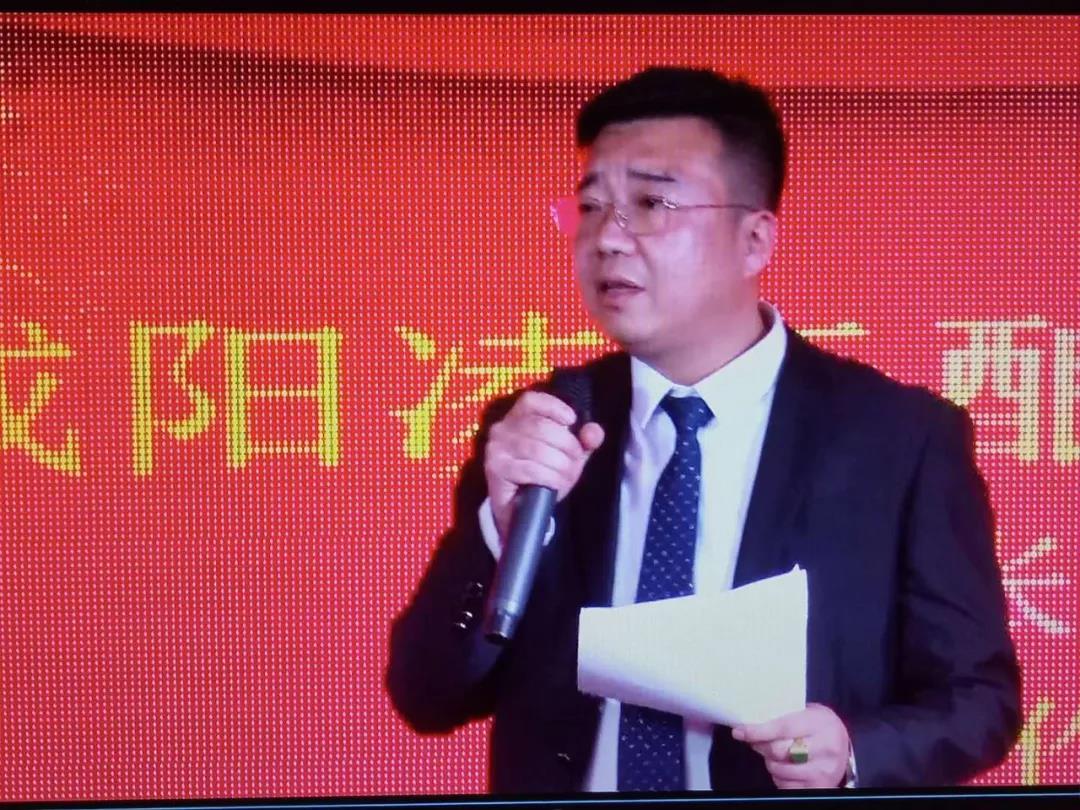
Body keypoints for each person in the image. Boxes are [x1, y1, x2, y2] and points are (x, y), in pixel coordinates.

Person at [386, 66, 1021, 792]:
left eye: (651, 203)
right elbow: (426, 695)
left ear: (754, 240)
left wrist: (853, 751)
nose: (607, 239)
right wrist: (499, 532)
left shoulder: (900, 439)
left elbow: (980, 700)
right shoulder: (545, 426)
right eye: (590, 206)